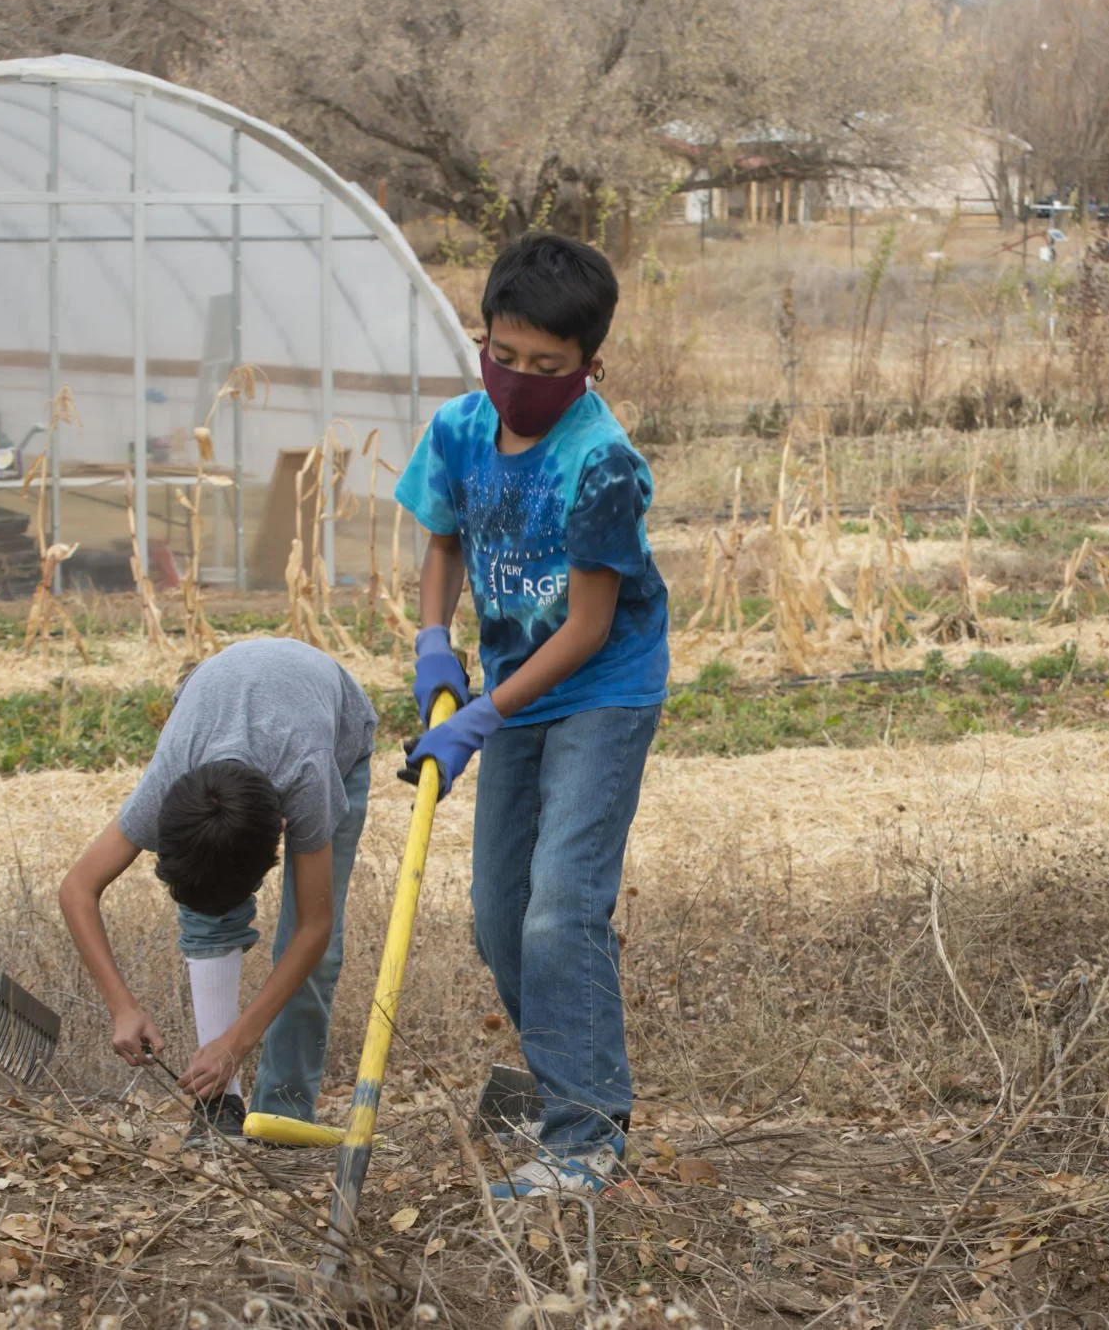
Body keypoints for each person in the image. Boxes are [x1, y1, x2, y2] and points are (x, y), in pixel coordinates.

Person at [396, 232, 669, 1200]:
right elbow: (442, 543)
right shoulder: (461, 431)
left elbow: (590, 626)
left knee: (560, 907)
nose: (515, 380)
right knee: (498, 919)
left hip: (599, 689)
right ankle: (568, 1071)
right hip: (510, 685)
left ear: (589, 366)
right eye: (500, 356)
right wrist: (435, 643)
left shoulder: (602, 464)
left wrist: (476, 716)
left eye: (544, 368)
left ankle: (585, 1137)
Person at [58, 638, 377, 1146]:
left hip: (333, 729)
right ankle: (219, 1105)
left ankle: (284, 1115)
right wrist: (122, 1005)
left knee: (314, 951)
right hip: (219, 703)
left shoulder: (309, 778)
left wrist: (240, 1039)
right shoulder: (173, 776)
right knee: (209, 916)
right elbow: (77, 889)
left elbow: (315, 929)